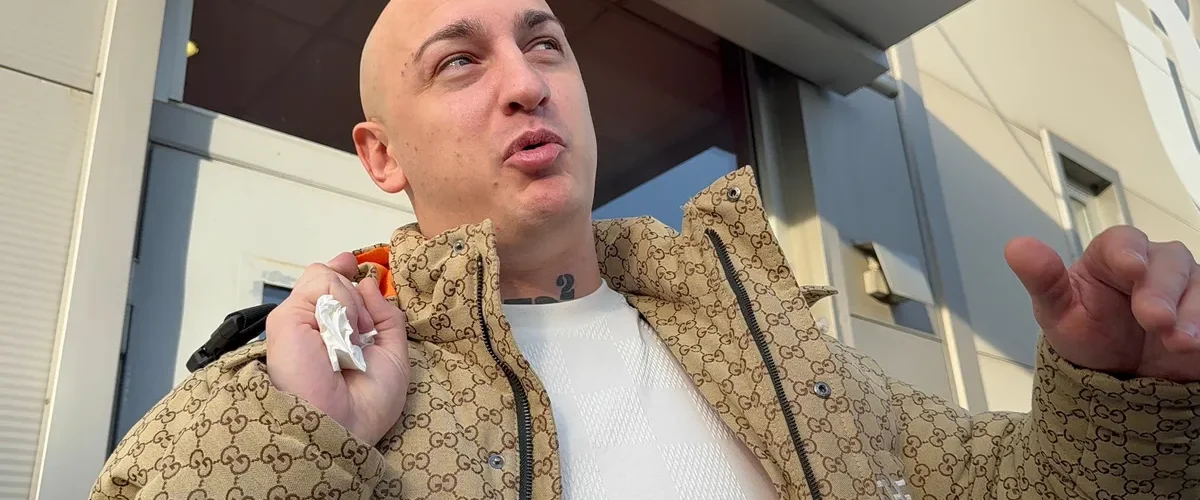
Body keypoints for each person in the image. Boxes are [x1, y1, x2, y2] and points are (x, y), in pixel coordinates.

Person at [92, 0, 1200, 498]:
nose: (526, 82)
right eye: (460, 62)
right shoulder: (284, 395)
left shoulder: (769, 344)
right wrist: (310, 449)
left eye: (544, 45)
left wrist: (1122, 398)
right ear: (381, 155)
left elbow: (1020, 485)